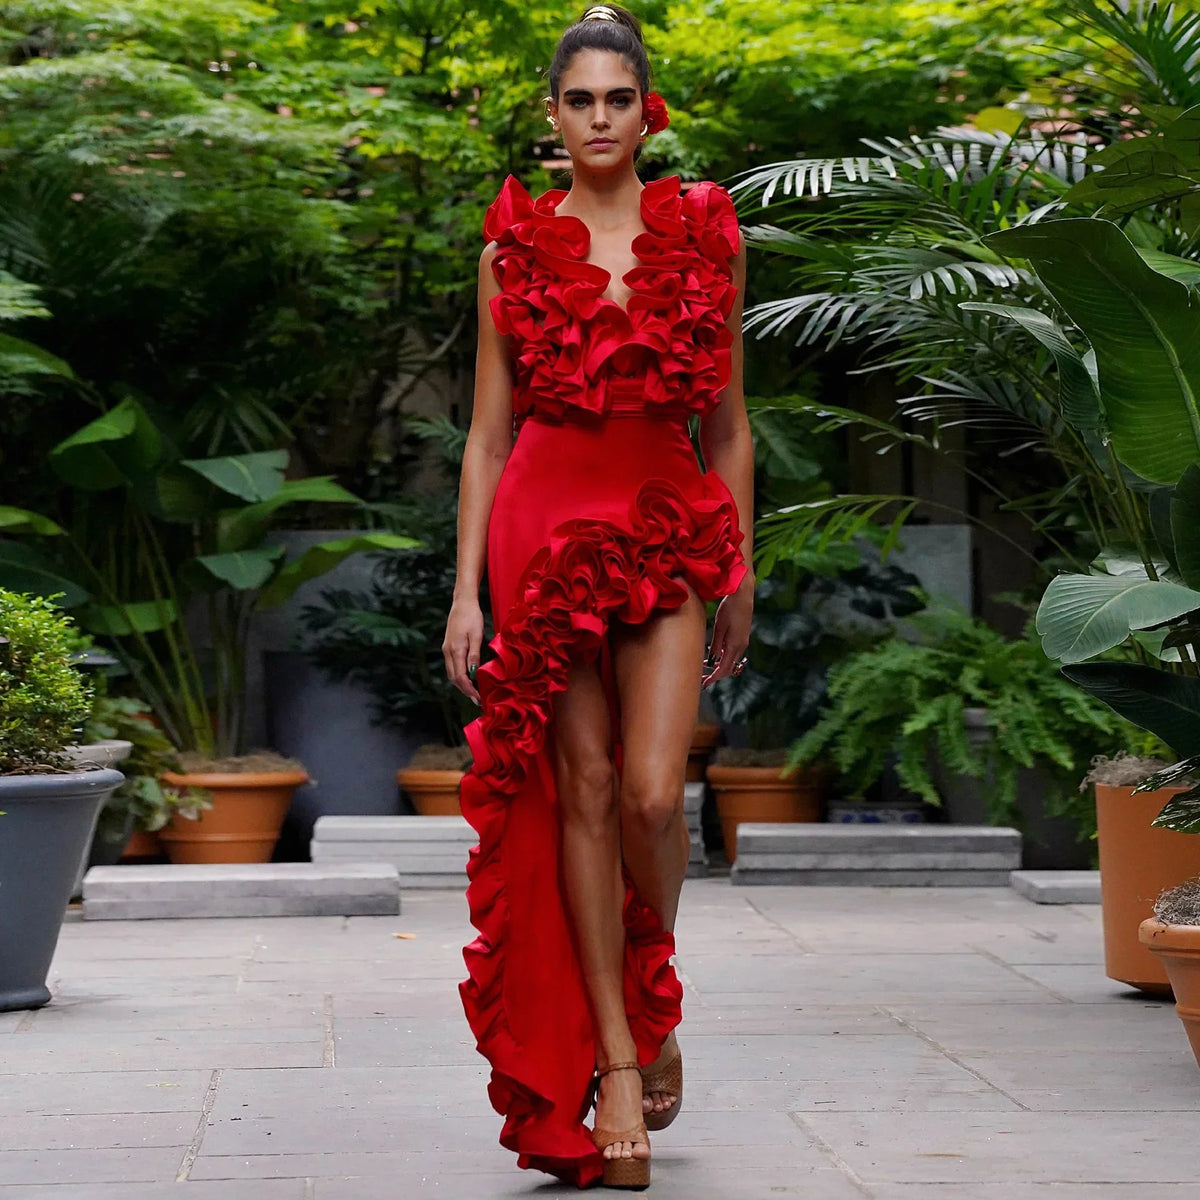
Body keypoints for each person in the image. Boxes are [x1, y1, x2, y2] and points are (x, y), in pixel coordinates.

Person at [442, 3, 754, 1189]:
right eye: (579, 99)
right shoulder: (511, 250)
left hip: (667, 526)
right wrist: (466, 592)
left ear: (647, 106)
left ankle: (653, 990)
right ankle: (619, 1060)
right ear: (553, 113)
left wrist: (740, 562)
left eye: (619, 97)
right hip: (540, 529)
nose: (600, 118)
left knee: (647, 792)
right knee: (574, 787)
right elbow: (484, 437)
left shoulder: (708, 232)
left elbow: (728, 423)